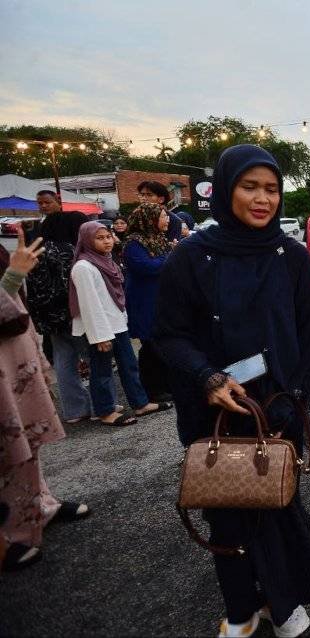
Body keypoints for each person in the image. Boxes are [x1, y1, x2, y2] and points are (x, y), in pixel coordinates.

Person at [154, 144, 310, 637]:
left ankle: (283, 600)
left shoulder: (293, 257)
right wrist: (207, 378)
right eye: (250, 186)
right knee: (228, 512)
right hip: (216, 407)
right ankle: (239, 608)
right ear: (226, 189)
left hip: (277, 407)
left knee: (278, 502)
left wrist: (294, 396)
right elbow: (167, 333)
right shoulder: (192, 257)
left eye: (272, 189)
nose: (263, 199)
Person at [1, 231, 91, 573]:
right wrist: (12, 277)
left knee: (27, 444)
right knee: (8, 451)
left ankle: (39, 505)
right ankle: (12, 534)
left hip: (13, 356)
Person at [70, 222, 169, 426]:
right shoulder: (83, 267)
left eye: (108, 236)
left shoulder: (107, 261)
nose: (107, 241)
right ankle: (105, 411)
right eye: (100, 238)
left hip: (117, 324)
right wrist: (100, 336)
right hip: (101, 329)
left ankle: (140, 403)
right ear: (87, 240)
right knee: (102, 371)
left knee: (129, 365)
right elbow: (90, 304)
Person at [25, 213, 92, 424]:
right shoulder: (67, 251)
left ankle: (74, 410)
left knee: (63, 361)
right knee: (93, 356)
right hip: (72, 314)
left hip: (48, 317)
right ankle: (102, 404)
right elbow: (71, 287)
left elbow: (33, 289)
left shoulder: (37, 252)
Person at [123, 203, 173, 402]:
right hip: (143, 301)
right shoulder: (134, 243)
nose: (167, 220)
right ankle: (153, 389)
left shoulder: (158, 239)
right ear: (149, 220)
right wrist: (171, 255)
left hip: (161, 299)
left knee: (162, 343)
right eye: (163, 216)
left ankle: (165, 385)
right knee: (152, 345)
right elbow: (148, 267)